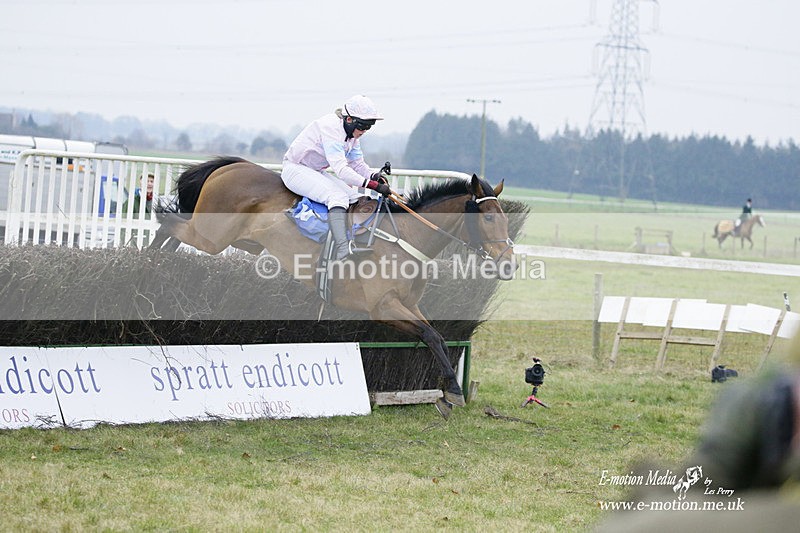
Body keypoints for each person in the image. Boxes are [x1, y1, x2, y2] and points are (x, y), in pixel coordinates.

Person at [281, 95, 391, 260]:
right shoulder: (331, 128)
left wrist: (373, 175)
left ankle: (352, 240)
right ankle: (342, 248)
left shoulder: (352, 135)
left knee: (355, 197)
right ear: (349, 120)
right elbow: (341, 170)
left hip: (314, 170)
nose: (364, 130)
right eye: (362, 125)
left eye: (369, 126)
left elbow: (357, 164)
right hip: (295, 169)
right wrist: (372, 185)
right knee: (338, 197)